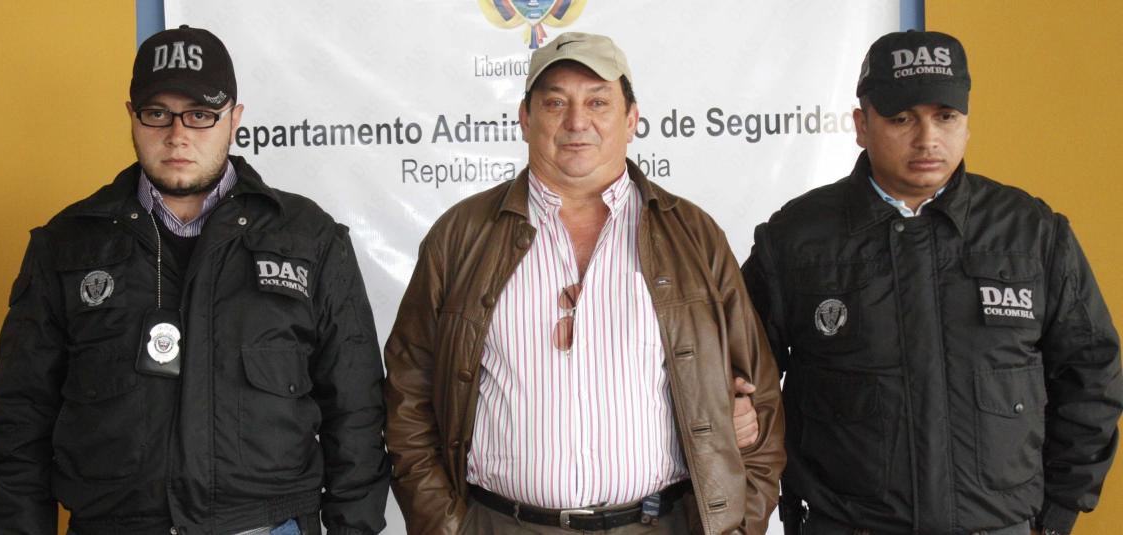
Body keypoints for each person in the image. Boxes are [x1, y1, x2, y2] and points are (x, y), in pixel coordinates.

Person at [0, 26, 389, 535]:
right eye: (158, 113)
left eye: (200, 114)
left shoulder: (310, 239)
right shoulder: (66, 245)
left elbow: (357, 416)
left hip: (265, 524)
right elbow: (19, 424)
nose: (178, 135)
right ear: (132, 116)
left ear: (234, 119)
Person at [384, 32, 784, 535]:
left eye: (598, 102)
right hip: (498, 524)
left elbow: (759, 400)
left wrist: (738, 526)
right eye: (556, 103)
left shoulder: (693, 236)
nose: (577, 122)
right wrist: (446, 527)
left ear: (631, 119)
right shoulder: (460, 236)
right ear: (525, 118)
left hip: (659, 524)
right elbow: (408, 396)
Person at [742, 30, 1123, 535]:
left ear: (966, 121)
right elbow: (739, 381)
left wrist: (1056, 514)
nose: (927, 139)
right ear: (861, 125)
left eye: (945, 117)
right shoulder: (796, 238)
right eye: (901, 118)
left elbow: (1091, 374)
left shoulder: (1031, 233)